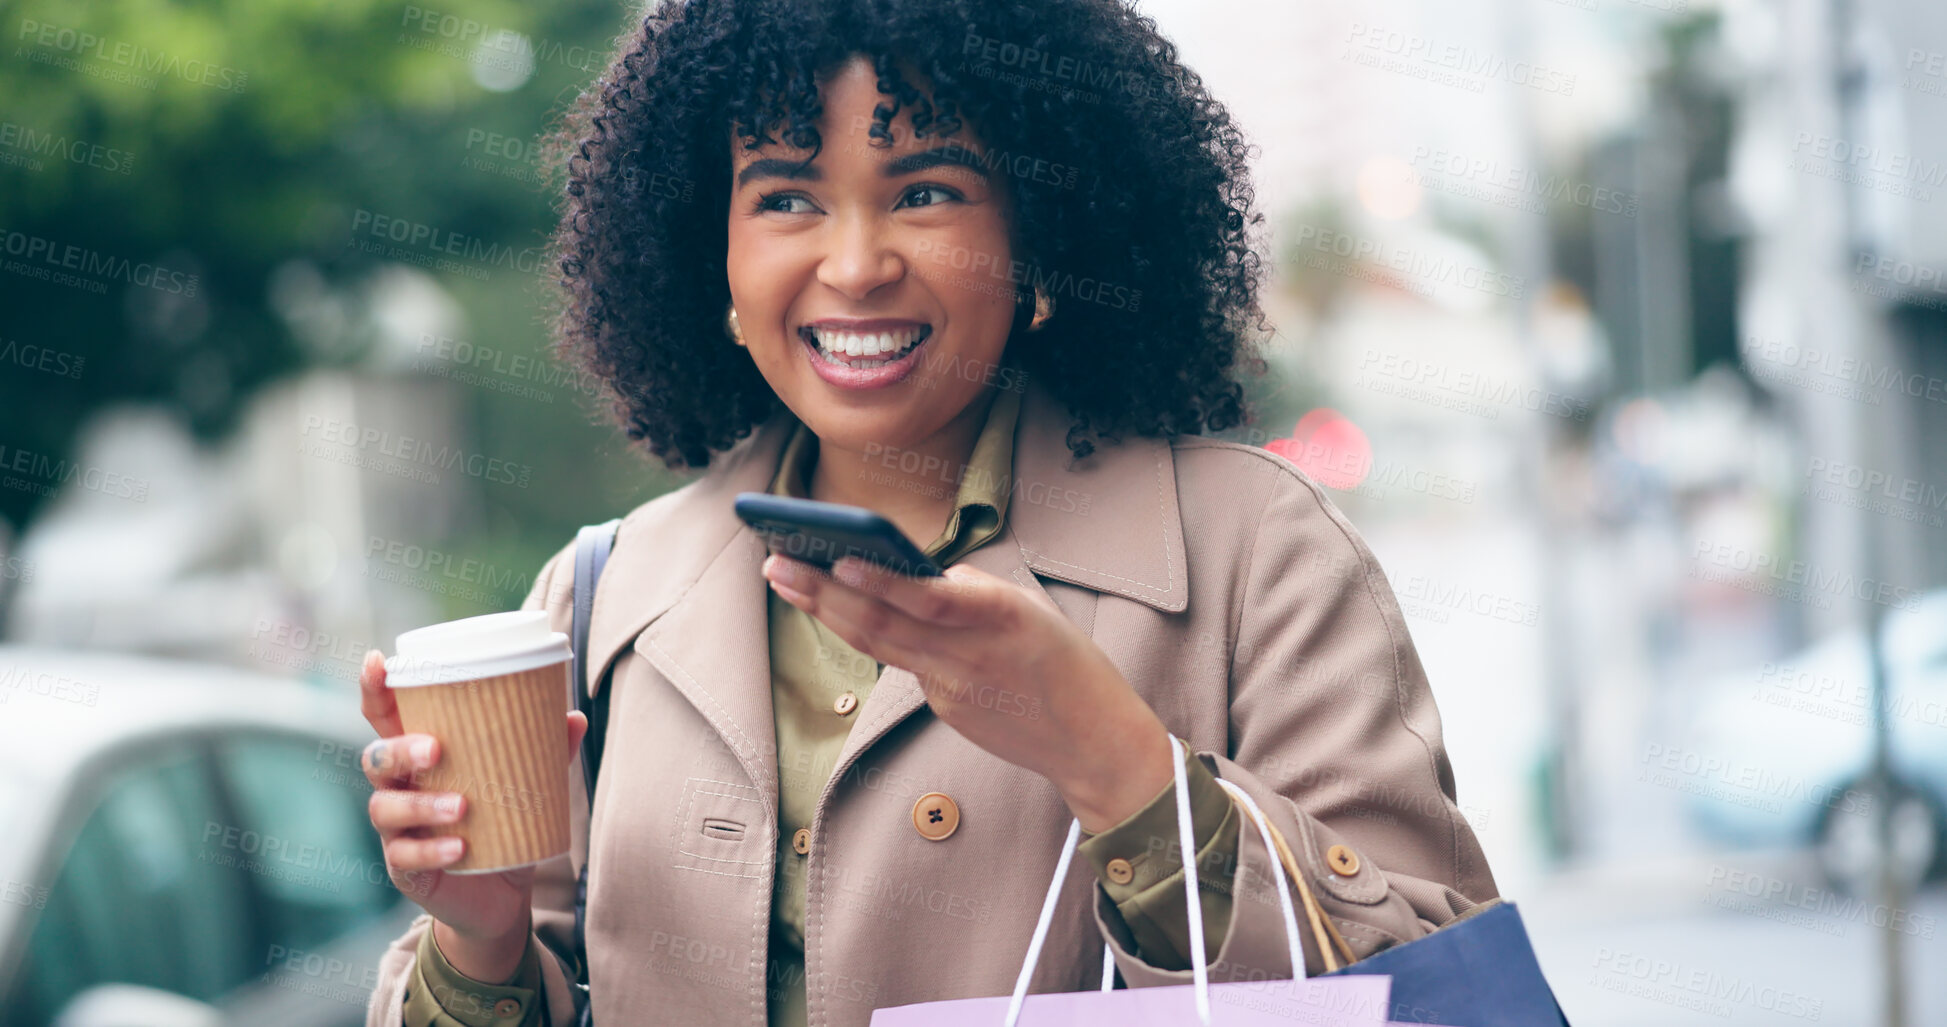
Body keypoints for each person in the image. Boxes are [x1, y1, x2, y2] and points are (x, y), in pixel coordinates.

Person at [359, 1, 1498, 1024]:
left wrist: (1119, 766)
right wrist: (478, 938)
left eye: (926, 191)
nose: (855, 265)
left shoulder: (1257, 553)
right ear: (712, 254)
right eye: (786, 198)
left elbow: (1430, 991)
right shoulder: (602, 596)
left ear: (1040, 232)